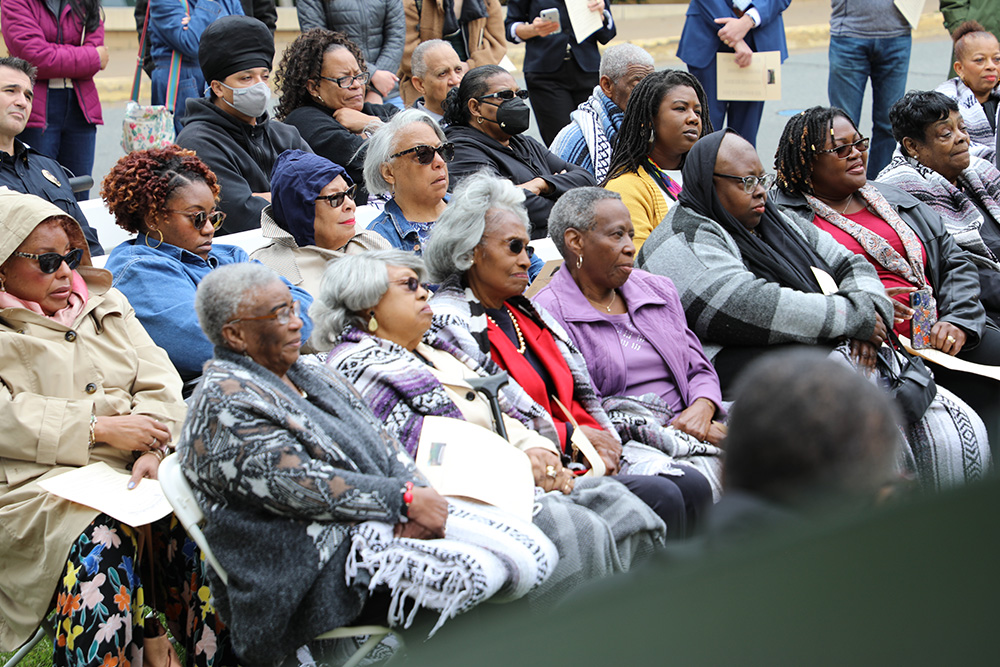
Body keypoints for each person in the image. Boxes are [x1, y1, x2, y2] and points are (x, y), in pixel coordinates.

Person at [181, 262, 558, 664]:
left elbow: (385, 444)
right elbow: (301, 484)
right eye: (279, 315)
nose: (296, 324)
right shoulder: (224, 403)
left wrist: (417, 495)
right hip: (304, 565)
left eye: (294, 308)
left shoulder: (308, 372)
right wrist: (405, 500)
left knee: (521, 555)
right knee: (465, 576)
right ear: (235, 334)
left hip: (369, 525)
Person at [638, 128, 990, 490]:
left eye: (761, 178)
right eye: (745, 181)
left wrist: (864, 315)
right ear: (707, 184)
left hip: (812, 350)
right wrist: (855, 319)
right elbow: (748, 304)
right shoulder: (684, 234)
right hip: (732, 369)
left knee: (954, 428)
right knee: (858, 422)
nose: (759, 190)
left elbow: (852, 264)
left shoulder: (773, 222)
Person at [314, 250, 667, 602]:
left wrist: (538, 451)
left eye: (422, 284)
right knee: (580, 530)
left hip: (514, 479)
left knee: (623, 507)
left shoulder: (437, 345)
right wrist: (524, 470)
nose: (424, 292)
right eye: (409, 286)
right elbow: (421, 460)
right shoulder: (359, 367)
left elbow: (510, 409)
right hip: (464, 499)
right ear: (367, 305)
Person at [0, 190, 235, 665]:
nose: (66, 272)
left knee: (201, 520)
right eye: (47, 262)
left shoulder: (108, 300)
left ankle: (226, 657)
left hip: (133, 472)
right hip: (35, 492)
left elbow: (159, 380)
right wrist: (98, 427)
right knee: (100, 542)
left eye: (70, 256)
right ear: (2, 266)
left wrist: (154, 447)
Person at [425, 172, 714, 538]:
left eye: (528, 249)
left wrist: (601, 438)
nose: (525, 260)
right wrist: (576, 440)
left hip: (587, 448)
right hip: (535, 465)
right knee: (669, 493)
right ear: (469, 251)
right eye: (514, 247)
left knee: (689, 485)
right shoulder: (452, 322)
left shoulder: (525, 312)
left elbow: (582, 396)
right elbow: (493, 414)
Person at [533, 187, 726, 493]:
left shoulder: (657, 289)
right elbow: (585, 406)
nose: (630, 247)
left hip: (697, 418)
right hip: (631, 439)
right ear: (575, 241)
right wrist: (687, 432)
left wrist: (702, 408)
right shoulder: (549, 314)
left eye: (630, 234)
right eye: (616, 235)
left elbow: (698, 366)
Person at [773, 106, 1000, 367]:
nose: (857, 153)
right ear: (807, 161)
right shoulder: (786, 221)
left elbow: (955, 263)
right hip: (867, 346)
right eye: (841, 149)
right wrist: (862, 308)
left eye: (859, 143)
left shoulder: (896, 199)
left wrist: (958, 320)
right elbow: (791, 296)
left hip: (939, 331)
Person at [100, 146, 313, 385]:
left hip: (262, 377)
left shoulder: (229, 255)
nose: (210, 229)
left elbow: (304, 305)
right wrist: (281, 324)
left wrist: (256, 327)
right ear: (153, 218)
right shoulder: (139, 270)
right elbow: (204, 344)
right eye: (197, 218)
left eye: (214, 217)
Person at [175, 15, 311, 233]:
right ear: (217, 88)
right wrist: (302, 197)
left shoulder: (286, 134)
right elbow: (242, 214)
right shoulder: (198, 142)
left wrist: (263, 198)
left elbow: (332, 192)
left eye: (264, 77)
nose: (259, 87)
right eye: (246, 78)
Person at [879, 90, 1000, 322]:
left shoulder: (980, 171)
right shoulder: (902, 191)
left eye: (962, 128)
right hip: (970, 307)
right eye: (946, 133)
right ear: (912, 146)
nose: (962, 138)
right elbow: (950, 271)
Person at [442, 65, 596, 239]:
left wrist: (541, 184)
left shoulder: (522, 142)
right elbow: (503, 206)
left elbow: (586, 178)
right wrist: (572, 201)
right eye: (505, 96)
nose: (517, 102)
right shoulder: (462, 149)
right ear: (475, 107)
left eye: (519, 95)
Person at [276, 29, 399, 206]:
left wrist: (373, 124)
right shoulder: (304, 121)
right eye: (344, 79)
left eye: (359, 76)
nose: (356, 85)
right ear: (313, 87)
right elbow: (376, 163)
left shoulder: (373, 111)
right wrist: (377, 126)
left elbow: (429, 139)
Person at [1, 0, 106, 201]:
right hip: (39, 109)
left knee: (78, 193)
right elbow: (34, 57)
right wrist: (90, 57)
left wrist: (56, 55)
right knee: (37, 193)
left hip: (80, 109)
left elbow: (99, 51)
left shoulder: (87, 2)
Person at [251, 149, 389, 297]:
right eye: (335, 198)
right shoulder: (266, 269)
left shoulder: (371, 241)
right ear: (300, 209)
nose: (351, 205)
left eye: (349, 193)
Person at [0, 56, 101, 256]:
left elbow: (88, 244)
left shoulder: (49, 167)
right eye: (10, 91)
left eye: (28, 96)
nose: (22, 102)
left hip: (74, 280)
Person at [603, 70, 713, 251]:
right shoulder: (626, 187)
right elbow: (638, 264)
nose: (694, 118)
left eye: (698, 111)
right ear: (647, 120)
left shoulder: (709, 178)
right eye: (680, 108)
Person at [676, 0, 789, 147]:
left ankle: (741, 170)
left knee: (745, 137)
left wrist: (750, 19)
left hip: (759, 34)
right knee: (704, 132)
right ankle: (702, 169)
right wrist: (735, 37)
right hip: (707, 31)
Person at [505, 0, 616, 146]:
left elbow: (607, 34)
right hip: (545, 75)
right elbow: (510, 28)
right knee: (562, 141)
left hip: (588, 71)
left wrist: (601, 15)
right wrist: (533, 29)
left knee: (599, 138)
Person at [827, 0, 913, 179]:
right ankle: (843, 188)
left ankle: (880, 187)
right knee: (843, 124)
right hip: (849, 34)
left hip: (897, 34)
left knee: (889, 125)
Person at [549, 43, 655, 183]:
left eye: (651, 86)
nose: (647, 96)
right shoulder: (578, 138)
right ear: (607, 85)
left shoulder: (648, 126)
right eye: (637, 87)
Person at [148, 0, 245, 133]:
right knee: (184, 150)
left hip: (223, 90)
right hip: (181, 92)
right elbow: (191, 42)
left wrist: (201, 25)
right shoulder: (165, 2)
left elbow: (245, 41)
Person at [399, 0, 506, 110]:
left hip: (475, 84)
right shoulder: (413, 3)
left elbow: (497, 44)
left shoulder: (489, 2)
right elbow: (407, 55)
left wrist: (470, 67)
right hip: (430, 94)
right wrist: (444, 71)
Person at [295, 0, 404, 105]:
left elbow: (396, 38)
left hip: (386, 89)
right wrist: (372, 74)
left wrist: (375, 90)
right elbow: (318, 40)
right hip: (340, 91)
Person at [935, 21, 1000, 163]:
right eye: (980, 60)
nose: (991, 66)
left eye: (997, 59)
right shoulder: (944, 103)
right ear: (959, 69)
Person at [408, 40, 466, 124]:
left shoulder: (478, 117)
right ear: (420, 85)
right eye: (442, 74)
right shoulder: (409, 129)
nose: (456, 80)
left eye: (458, 70)